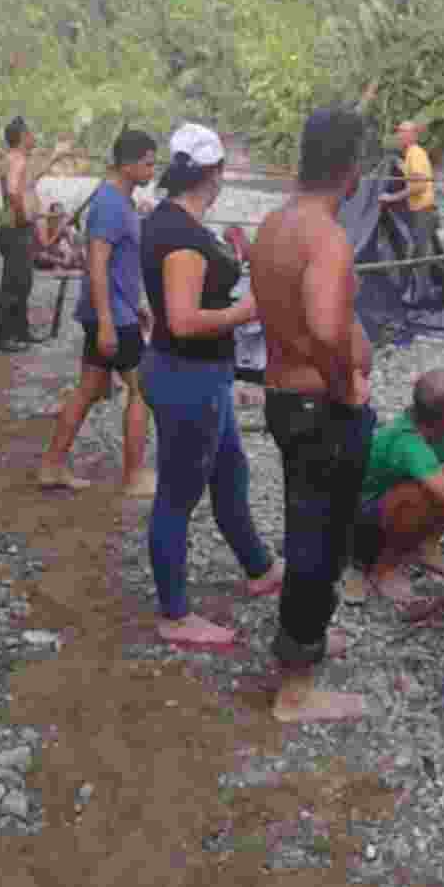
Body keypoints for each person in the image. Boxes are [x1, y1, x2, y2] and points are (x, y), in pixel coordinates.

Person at [249, 106, 375, 723]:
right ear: (352, 171)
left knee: (312, 524)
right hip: (314, 404)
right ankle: (295, 685)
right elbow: (326, 328)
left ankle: (309, 639)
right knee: (317, 541)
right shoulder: (326, 237)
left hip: (283, 397)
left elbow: (307, 317)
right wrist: (343, 382)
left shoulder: (276, 223)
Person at [141, 123, 283, 651]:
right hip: (187, 377)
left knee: (230, 474)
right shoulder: (180, 237)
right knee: (178, 496)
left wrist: (237, 259)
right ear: (214, 173)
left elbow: (195, 288)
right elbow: (180, 319)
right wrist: (248, 309)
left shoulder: (178, 222)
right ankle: (174, 614)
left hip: (198, 375)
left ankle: (260, 567)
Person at [38, 129, 157, 493]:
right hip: (111, 317)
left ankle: (52, 465)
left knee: (89, 389)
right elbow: (97, 265)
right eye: (149, 163)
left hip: (118, 311)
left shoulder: (120, 202)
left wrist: (136, 304)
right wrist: (107, 322)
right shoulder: (109, 204)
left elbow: (119, 266)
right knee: (143, 390)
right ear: (128, 165)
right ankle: (135, 474)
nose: (153, 171)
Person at [354, 369, 444, 601]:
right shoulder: (406, 442)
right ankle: (384, 568)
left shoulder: (442, 426)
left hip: (390, 508)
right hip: (360, 523)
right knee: (428, 493)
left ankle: (425, 547)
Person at [0, 116, 75, 352]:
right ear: (21, 137)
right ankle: (4, 336)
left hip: (20, 228)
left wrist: (54, 159)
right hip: (15, 228)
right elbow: (14, 193)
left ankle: (20, 331)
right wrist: (20, 216)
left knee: (23, 282)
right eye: (30, 134)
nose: (33, 137)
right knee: (13, 283)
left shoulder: (19, 160)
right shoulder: (16, 160)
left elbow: (26, 183)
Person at [380, 120, 435, 305]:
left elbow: (419, 184)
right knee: (419, 251)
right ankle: (420, 293)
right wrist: (399, 164)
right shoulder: (410, 154)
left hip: (423, 210)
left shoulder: (416, 153)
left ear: (411, 135)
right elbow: (412, 175)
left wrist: (393, 197)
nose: (399, 136)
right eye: (398, 132)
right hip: (419, 210)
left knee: (420, 254)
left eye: (402, 132)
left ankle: (421, 297)